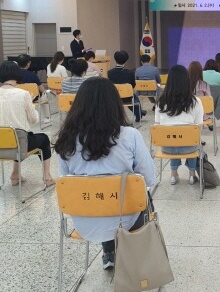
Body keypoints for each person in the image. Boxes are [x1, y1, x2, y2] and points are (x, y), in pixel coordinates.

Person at [55, 77, 155, 270]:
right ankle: (135, 256)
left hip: (84, 220)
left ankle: (109, 252)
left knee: (101, 198)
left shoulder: (66, 141)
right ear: (114, 104)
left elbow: (66, 183)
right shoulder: (130, 136)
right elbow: (148, 178)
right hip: (127, 219)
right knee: (138, 195)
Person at [0, 61, 55, 187]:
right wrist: (29, 102)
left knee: (14, 137)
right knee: (44, 139)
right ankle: (47, 177)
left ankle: (15, 174)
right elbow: (34, 119)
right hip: (19, 145)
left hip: (1, 145)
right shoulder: (23, 94)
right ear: (17, 73)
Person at [155, 65, 204, 185]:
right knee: (192, 138)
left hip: (167, 147)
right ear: (187, 81)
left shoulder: (160, 102)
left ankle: (173, 174)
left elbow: (157, 126)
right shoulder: (195, 102)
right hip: (190, 147)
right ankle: (192, 175)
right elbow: (199, 128)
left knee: (172, 136)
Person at [108, 50, 145, 122]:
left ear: (115, 59)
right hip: (127, 98)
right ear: (126, 60)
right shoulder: (130, 72)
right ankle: (139, 115)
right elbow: (133, 85)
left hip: (114, 97)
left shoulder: (110, 72)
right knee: (134, 99)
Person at [16, 53, 51, 122]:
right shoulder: (32, 75)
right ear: (28, 64)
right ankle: (47, 118)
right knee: (45, 95)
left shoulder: (13, 75)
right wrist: (46, 92)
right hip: (32, 98)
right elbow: (42, 89)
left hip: (17, 97)